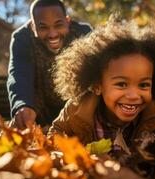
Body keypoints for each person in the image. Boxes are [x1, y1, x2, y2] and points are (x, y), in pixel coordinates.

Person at [48, 17, 155, 156]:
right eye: (121, 84)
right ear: (97, 85)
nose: (133, 95)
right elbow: (54, 139)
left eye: (143, 85)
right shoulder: (76, 111)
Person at [7, 0, 92, 130]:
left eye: (58, 25)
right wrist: (22, 105)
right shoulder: (22, 39)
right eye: (43, 27)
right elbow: (19, 74)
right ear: (33, 27)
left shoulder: (84, 34)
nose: (52, 34)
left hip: (78, 111)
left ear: (67, 21)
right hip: (39, 115)